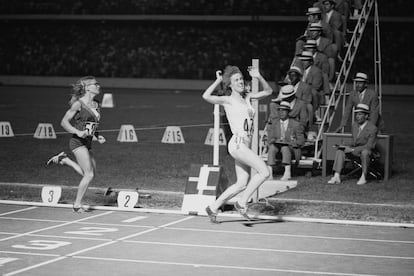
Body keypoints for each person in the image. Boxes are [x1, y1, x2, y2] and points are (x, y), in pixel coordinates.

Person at [202, 65, 272, 223]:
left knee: (241, 183)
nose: (240, 81)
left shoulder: (247, 97)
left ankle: (213, 207)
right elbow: (206, 96)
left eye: (241, 78)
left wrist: (258, 76)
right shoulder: (227, 100)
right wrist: (218, 80)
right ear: (230, 85)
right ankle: (241, 203)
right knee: (264, 171)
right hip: (238, 143)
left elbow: (268, 92)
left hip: (244, 145)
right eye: (236, 80)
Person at [46, 76, 105, 212]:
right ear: (87, 87)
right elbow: (64, 122)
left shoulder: (97, 103)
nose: (98, 86)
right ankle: (77, 205)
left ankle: (65, 160)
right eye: (96, 84)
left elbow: (93, 124)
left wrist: (97, 136)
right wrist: (77, 132)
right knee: (88, 175)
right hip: (77, 142)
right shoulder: (78, 104)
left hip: (88, 142)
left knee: (90, 174)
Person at [328, 103, 378, 185]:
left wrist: (352, 149)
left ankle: (364, 176)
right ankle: (336, 176)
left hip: (367, 152)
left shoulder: (373, 128)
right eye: (356, 114)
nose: (357, 116)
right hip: (355, 150)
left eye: (360, 114)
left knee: (365, 152)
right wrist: (344, 145)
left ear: (366, 116)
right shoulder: (354, 125)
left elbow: (370, 146)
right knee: (340, 151)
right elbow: (355, 142)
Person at [267, 101, 305, 181]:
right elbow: (269, 138)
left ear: (288, 112)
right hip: (277, 146)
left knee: (285, 147)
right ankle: (269, 173)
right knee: (272, 148)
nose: (281, 113)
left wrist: (290, 142)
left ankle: (287, 173)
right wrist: (274, 140)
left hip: (291, 149)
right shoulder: (275, 123)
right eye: (280, 110)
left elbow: (301, 141)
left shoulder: (295, 124)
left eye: (284, 111)